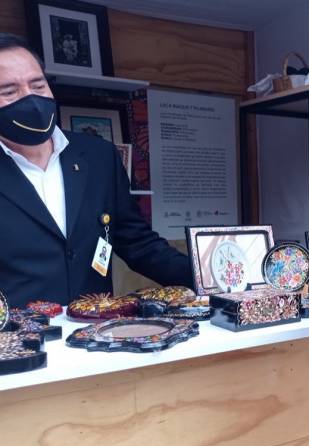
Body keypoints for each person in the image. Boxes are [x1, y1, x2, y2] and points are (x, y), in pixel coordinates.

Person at [0, 33, 193, 307]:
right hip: (17, 332)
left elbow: (139, 244)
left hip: (95, 326)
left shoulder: (99, 156)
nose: (30, 98)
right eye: (9, 91)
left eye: (38, 85)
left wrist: (207, 277)